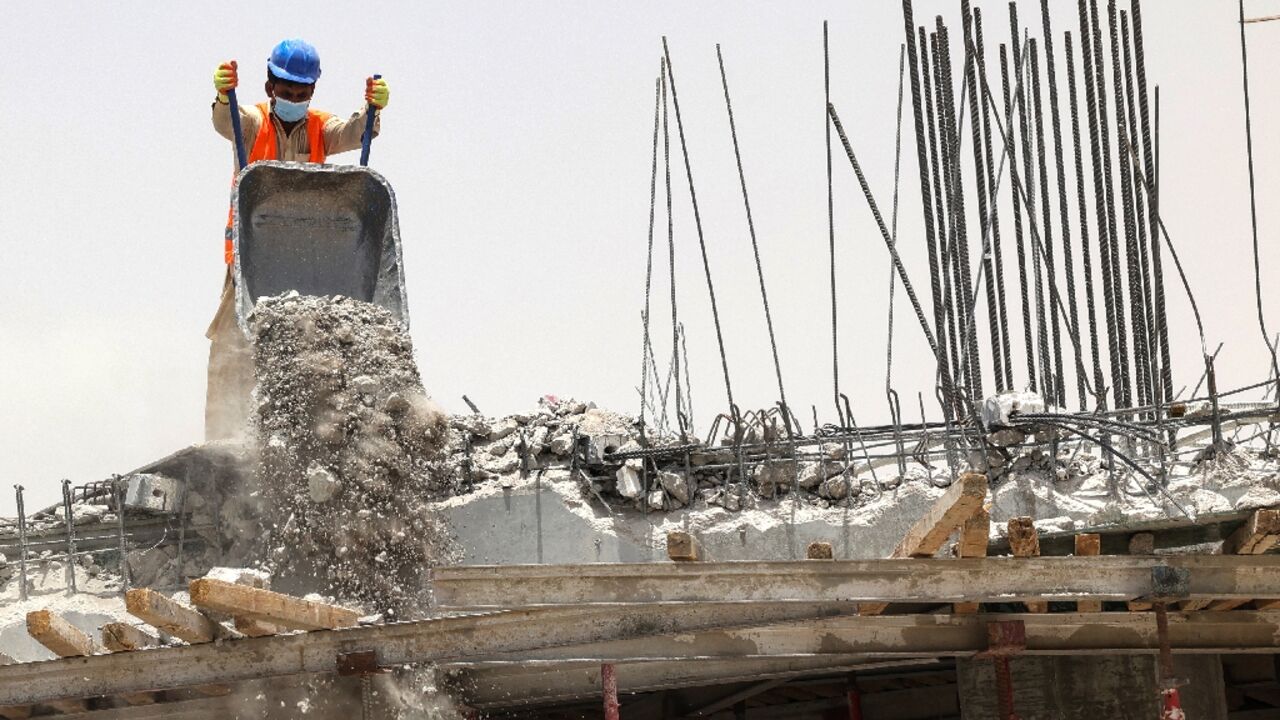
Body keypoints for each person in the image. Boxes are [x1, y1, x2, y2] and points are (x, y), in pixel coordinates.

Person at [204, 38, 390, 441]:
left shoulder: (322, 127)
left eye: (301, 93)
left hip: (307, 263)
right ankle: (223, 438)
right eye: (286, 92)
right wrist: (222, 97)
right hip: (251, 259)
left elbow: (355, 134)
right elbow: (226, 122)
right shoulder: (252, 121)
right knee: (231, 346)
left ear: (312, 92)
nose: (293, 98)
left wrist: (371, 110)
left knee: (307, 350)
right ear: (271, 86)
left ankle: (310, 434)